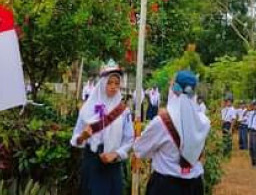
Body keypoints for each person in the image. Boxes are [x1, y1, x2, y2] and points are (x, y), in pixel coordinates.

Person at [134, 70, 210, 195]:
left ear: (174, 89)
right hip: (194, 186)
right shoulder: (204, 122)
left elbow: (140, 150)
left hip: (165, 186)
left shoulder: (162, 122)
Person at [71, 62, 134, 195]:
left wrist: (115, 154)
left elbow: (129, 140)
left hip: (113, 165)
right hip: (92, 163)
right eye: (109, 83)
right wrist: (83, 137)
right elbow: (75, 140)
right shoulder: (87, 109)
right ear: (102, 84)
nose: (113, 87)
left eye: (117, 83)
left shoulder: (123, 111)